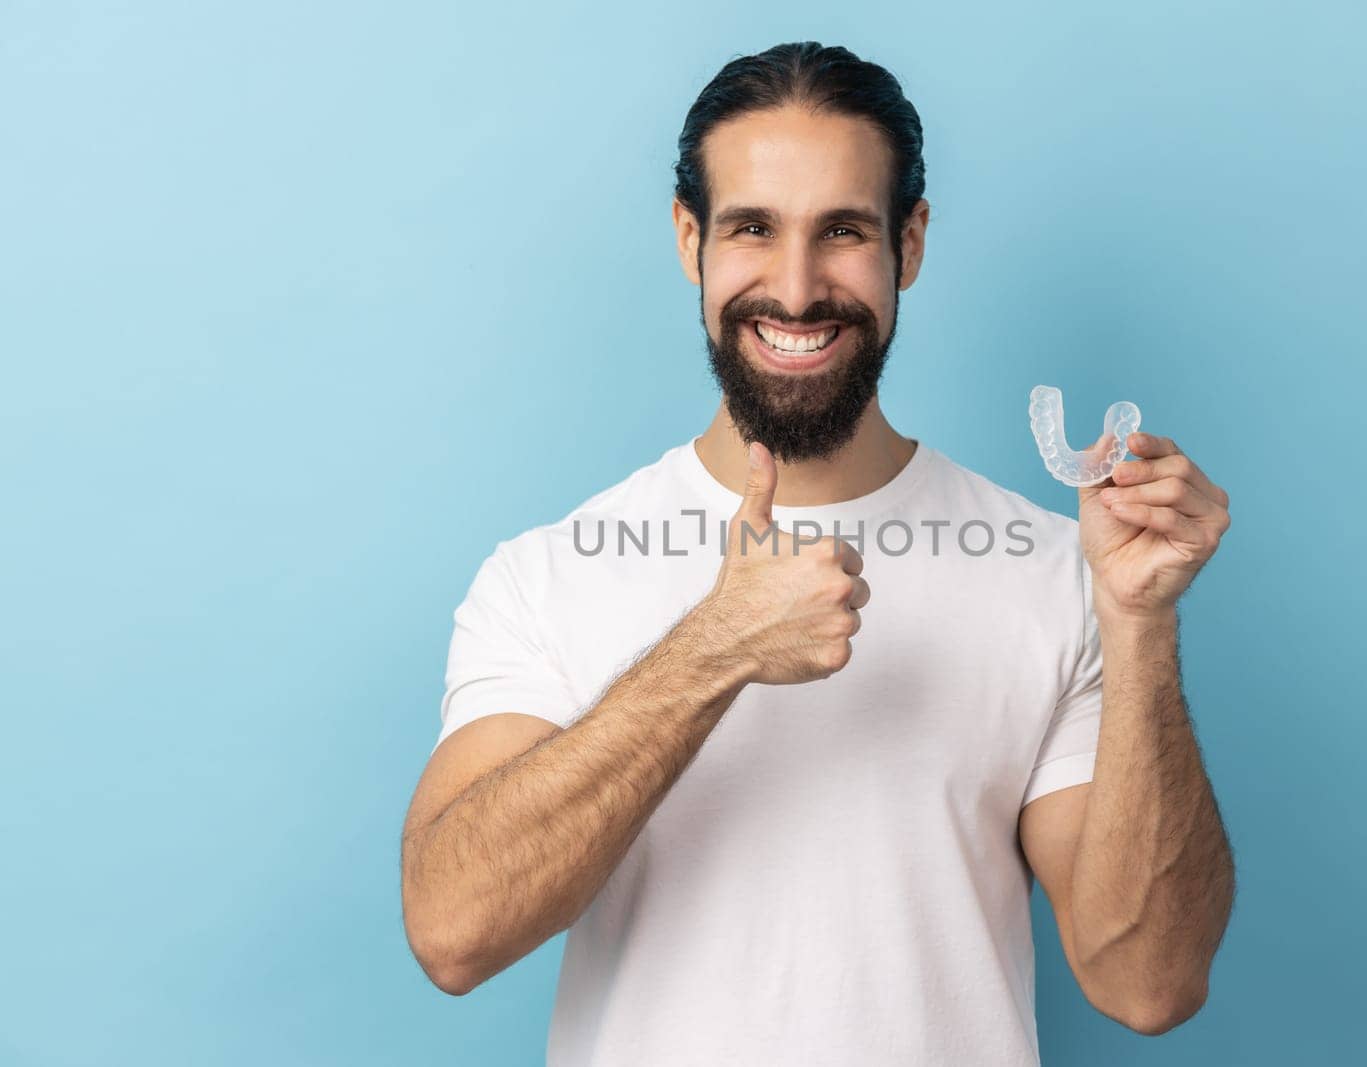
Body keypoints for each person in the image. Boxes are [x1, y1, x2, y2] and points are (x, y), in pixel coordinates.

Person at [400, 41, 1235, 1066]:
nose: (795, 291)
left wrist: (1140, 626)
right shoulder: (548, 574)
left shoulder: (1057, 572)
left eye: (841, 231)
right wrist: (712, 647)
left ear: (909, 244)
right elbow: (452, 931)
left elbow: (1147, 981)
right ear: (688, 238)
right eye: (753, 228)